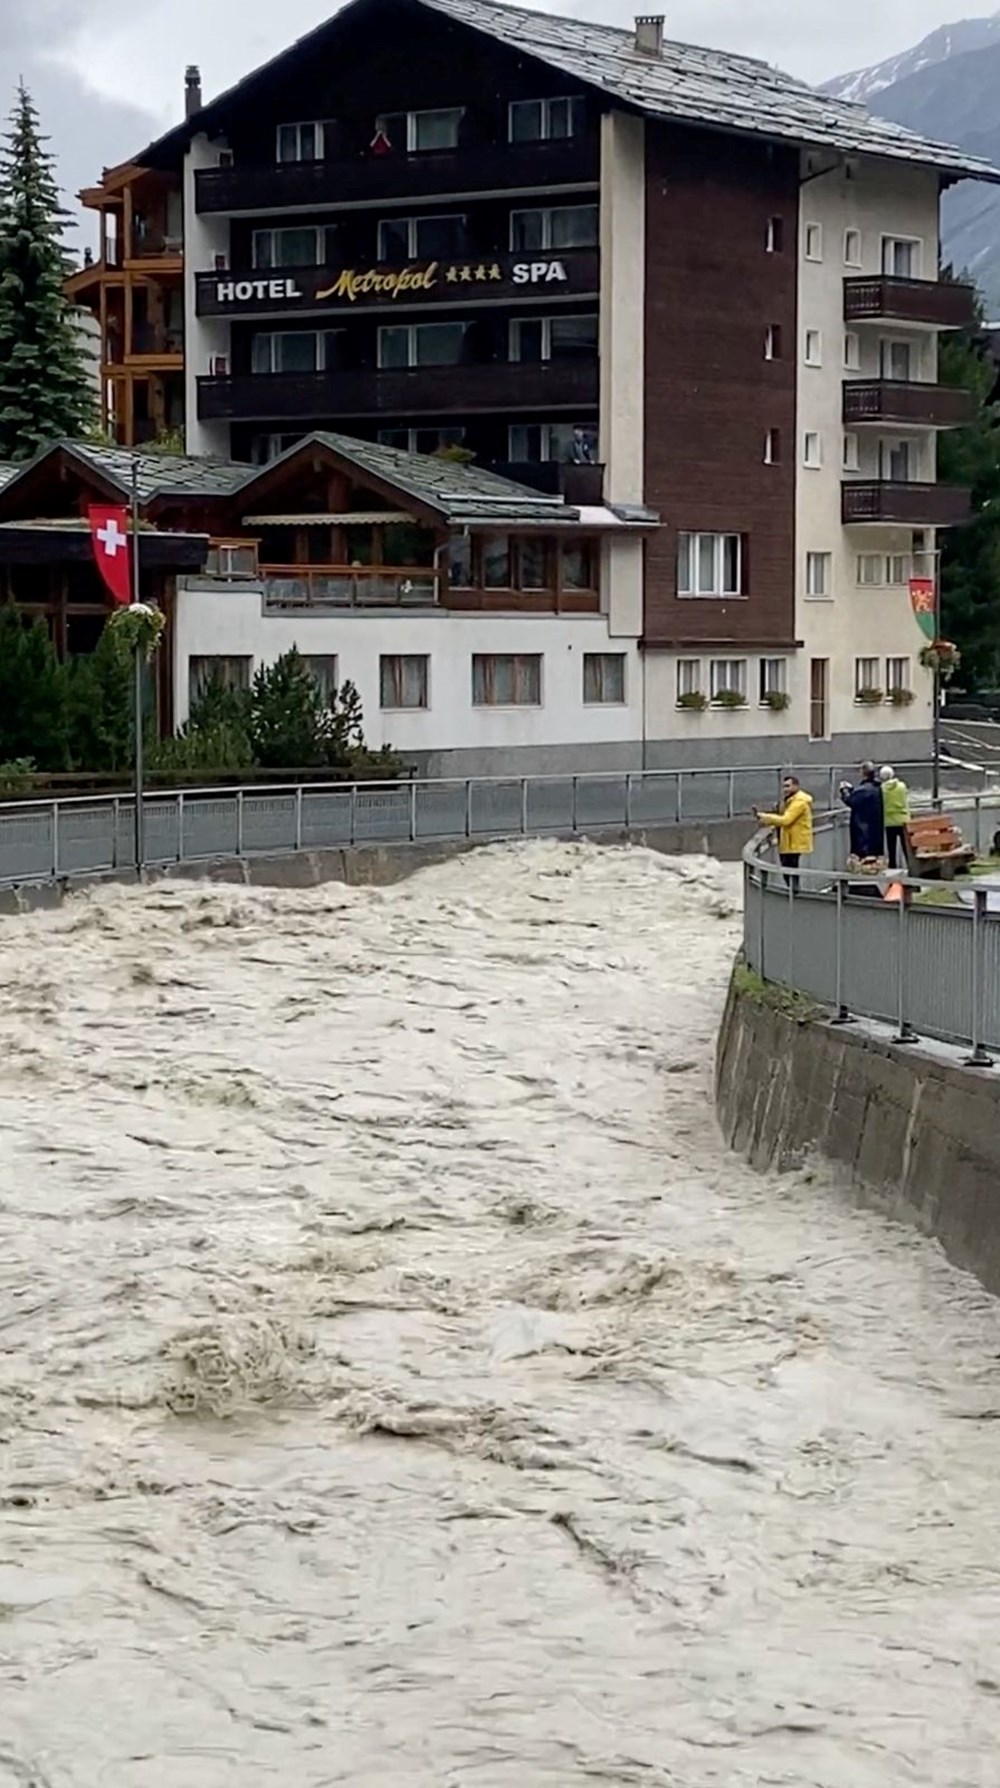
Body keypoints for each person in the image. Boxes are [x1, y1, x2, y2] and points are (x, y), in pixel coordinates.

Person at [753, 775, 814, 886]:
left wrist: (765, 817)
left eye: (788, 786)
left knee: (790, 870)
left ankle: (794, 895)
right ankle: (793, 893)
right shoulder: (790, 800)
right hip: (788, 840)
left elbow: (786, 820)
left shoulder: (799, 802)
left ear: (796, 786)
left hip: (793, 841)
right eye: (784, 787)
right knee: (788, 870)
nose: (785, 789)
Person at [839, 761, 885, 863]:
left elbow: (851, 800)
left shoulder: (864, 789)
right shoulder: (876, 787)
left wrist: (844, 790)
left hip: (863, 831)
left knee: (864, 858)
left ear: (863, 773)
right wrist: (852, 789)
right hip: (874, 830)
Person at [879, 765, 910, 869]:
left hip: (889, 821)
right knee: (906, 848)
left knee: (891, 848)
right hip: (903, 820)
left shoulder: (882, 790)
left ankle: (893, 868)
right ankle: (910, 866)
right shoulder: (902, 786)